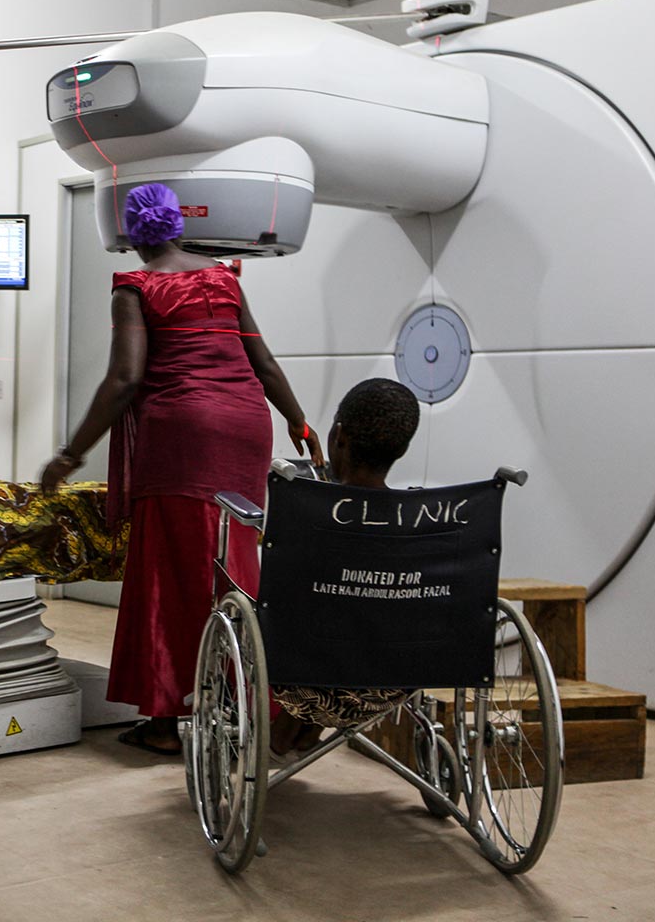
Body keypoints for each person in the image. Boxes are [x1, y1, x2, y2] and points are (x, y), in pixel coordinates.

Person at [40, 182, 322, 756]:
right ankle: (251, 698)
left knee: (173, 570)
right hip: (246, 428)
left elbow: (125, 379)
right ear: (176, 223)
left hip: (183, 434)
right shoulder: (223, 278)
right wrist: (299, 421)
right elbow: (264, 363)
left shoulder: (136, 286)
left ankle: (170, 719)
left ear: (130, 233)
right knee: (232, 561)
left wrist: (70, 455)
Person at [269, 376, 422, 758]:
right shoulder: (420, 522)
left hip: (306, 683)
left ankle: (282, 737)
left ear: (339, 436)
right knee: (355, 625)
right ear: (402, 450)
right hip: (394, 684)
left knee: (313, 627)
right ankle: (303, 735)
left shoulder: (309, 516)